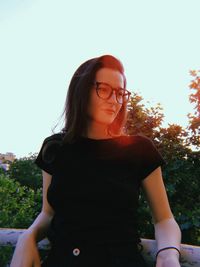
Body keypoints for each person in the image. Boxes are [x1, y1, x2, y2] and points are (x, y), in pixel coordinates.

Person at [10, 54, 182, 267]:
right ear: (81, 91)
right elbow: (48, 213)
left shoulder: (139, 150)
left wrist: (168, 255)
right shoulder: (55, 148)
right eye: (104, 89)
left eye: (120, 93)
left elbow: (164, 219)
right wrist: (28, 237)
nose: (114, 99)